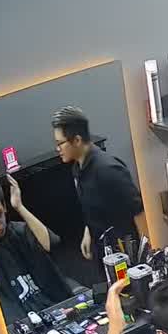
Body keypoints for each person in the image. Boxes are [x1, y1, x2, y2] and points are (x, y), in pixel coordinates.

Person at [52, 106, 147, 260]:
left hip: (125, 254)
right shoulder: (77, 168)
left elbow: (138, 211)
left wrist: (145, 257)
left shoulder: (108, 170)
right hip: (103, 250)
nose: (57, 149)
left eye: (60, 143)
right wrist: (88, 232)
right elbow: (93, 209)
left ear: (77, 140)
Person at [0, 177, 72, 321]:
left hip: (53, 306)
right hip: (21, 320)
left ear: (5, 208)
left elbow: (51, 243)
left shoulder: (21, 231)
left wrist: (19, 206)